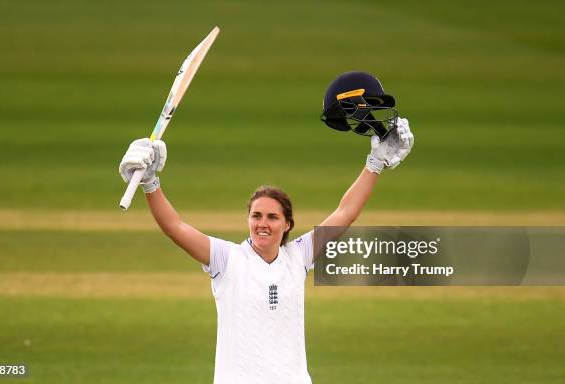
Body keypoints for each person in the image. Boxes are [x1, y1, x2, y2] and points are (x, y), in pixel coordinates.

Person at [118, 71, 414, 384]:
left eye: (272, 217)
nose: (263, 223)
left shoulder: (298, 256)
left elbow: (346, 212)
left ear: (287, 224)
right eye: (256, 216)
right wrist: (150, 183)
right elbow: (174, 227)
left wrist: (374, 164)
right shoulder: (226, 259)